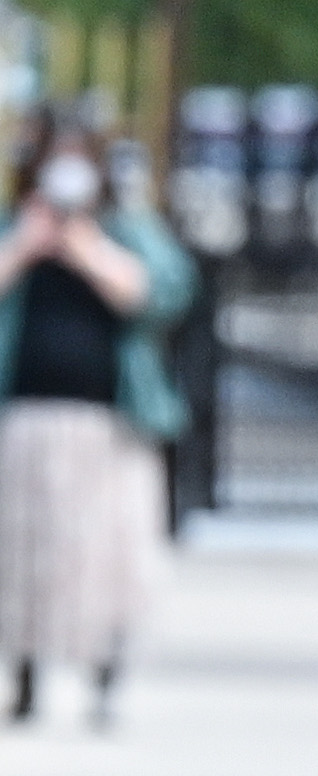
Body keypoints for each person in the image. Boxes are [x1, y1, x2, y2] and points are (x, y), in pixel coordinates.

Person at [1, 114, 196, 731]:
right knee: (24, 553)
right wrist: (23, 248)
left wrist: (89, 251)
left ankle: (104, 673)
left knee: (108, 554)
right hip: (26, 421)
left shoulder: (126, 230)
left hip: (110, 425)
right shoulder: (17, 230)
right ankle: (26, 674)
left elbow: (164, 293)